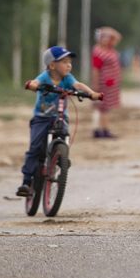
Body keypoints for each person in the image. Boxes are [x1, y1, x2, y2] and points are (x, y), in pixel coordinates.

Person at [17, 47, 101, 196]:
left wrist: (91, 93)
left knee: (63, 133)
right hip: (41, 118)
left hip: (60, 117)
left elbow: (78, 85)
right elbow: (35, 82)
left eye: (70, 62)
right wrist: (33, 85)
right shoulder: (45, 77)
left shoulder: (68, 79)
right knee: (35, 148)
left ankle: (61, 157)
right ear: (52, 65)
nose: (69, 65)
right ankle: (26, 181)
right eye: (64, 62)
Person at [91, 26, 123, 138]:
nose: (106, 39)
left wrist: (108, 30)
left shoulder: (110, 48)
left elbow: (118, 37)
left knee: (105, 108)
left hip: (111, 84)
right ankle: (103, 130)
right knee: (103, 108)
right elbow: (95, 69)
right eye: (103, 37)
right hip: (103, 83)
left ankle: (101, 129)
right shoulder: (98, 51)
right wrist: (95, 85)